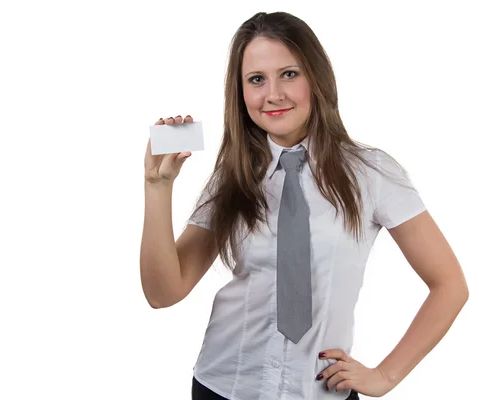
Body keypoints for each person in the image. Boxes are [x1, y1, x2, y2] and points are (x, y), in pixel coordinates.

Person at [140, 11, 468, 400]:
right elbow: (164, 293)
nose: (273, 94)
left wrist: (385, 376)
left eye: (289, 74)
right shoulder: (233, 176)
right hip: (224, 385)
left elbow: (450, 285)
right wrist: (157, 188)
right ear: (241, 93)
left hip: (320, 391)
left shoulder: (373, 173)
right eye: (256, 79)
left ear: (317, 77)